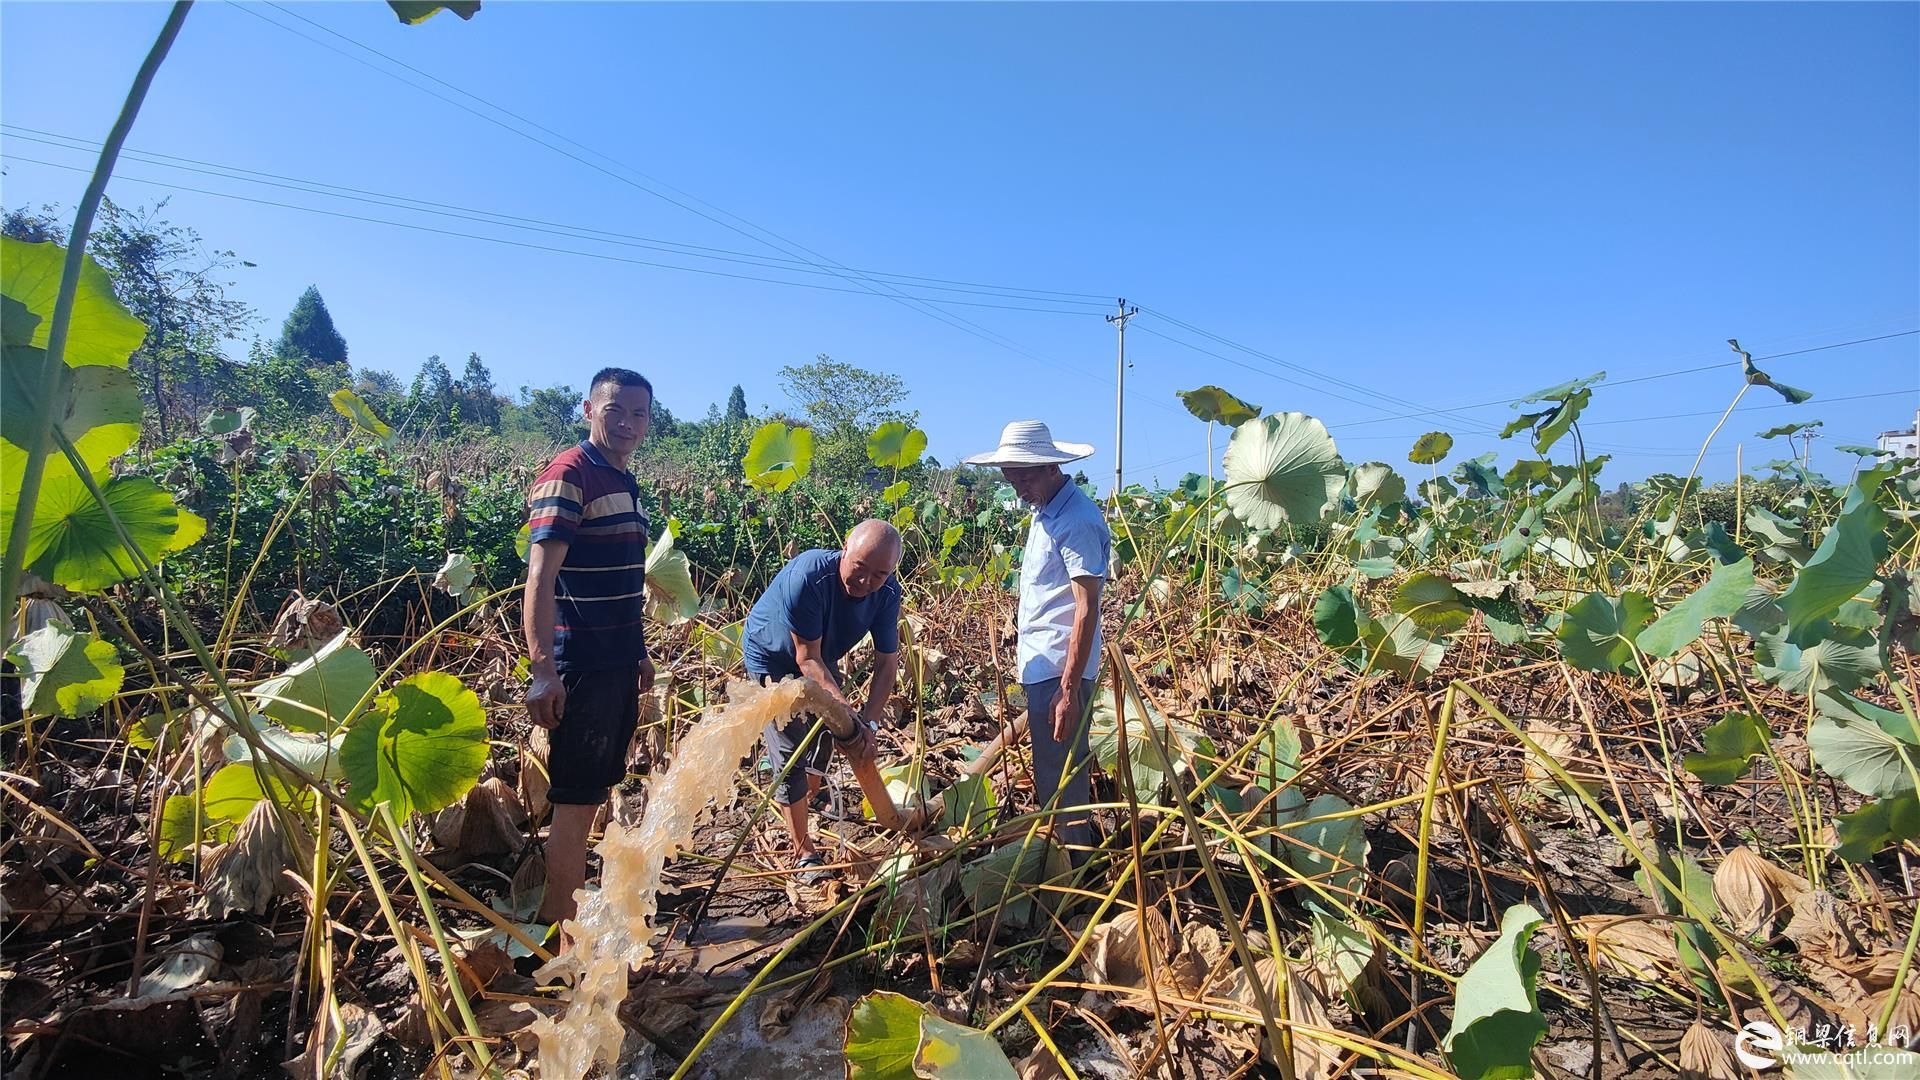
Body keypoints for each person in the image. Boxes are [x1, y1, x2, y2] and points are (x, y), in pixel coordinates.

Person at [522, 367, 658, 932]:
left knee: (592, 796)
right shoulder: (569, 474)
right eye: (615, 411)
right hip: (580, 667)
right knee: (575, 810)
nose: (627, 423)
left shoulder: (622, 480)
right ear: (588, 410)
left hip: (616, 663)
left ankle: (577, 933)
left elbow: (622, 580)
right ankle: (557, 948)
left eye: (639, 414)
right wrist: (542, 671)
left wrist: (639, 652)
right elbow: (540, 579)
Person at [963, 420, 1110, 853]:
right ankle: (1065, 857)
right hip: (1043, 664)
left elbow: (1087, 608)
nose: (1017, 487)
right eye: (1011, 479)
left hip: (1061, 667)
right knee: (1052, 770)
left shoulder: (1077, 520)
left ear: (1051, 468)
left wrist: (1068, 689)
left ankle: (1075, 867)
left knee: (1063, 775)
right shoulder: (1045, 512)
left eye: (1024, 477)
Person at [743, 519, 903, 876]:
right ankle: (803, 852)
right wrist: (849, 717)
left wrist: (870, 724)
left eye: (878, 575)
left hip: (821, 652)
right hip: (773, 653)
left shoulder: (887, 594)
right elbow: (806, 660)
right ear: (844, 548)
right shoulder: (810, 577)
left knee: (827, 733)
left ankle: (808, 795)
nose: (865, 583)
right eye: (859, 568)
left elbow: (887, 664)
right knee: (789, 747)